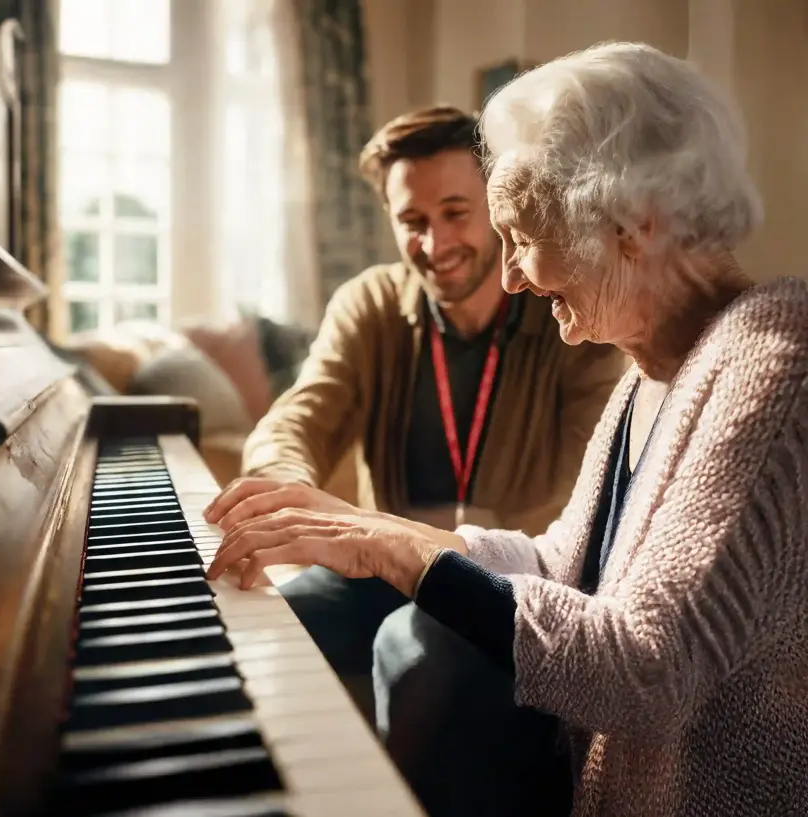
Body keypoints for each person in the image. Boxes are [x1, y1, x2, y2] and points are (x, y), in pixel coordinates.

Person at [205, 42, 808, 817]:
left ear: (636, 222)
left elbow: (649, 670)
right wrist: (379, 534)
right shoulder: (654, 370)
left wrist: (409, 552)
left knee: (419, 651)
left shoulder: (774, 361)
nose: (511, 274)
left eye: (523, 235)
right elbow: (562, 561)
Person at [230, 105, 624, 739]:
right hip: (375, 565)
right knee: (250, 633)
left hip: (509, 578)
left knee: (414, 651)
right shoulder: (370, 302)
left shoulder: (570, 317)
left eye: (455, 214)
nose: (435, 246)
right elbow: (298, 418)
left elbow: (583, 511)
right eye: (412, 222)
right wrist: (286, 488)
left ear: (497, 206)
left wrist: (403, 537)